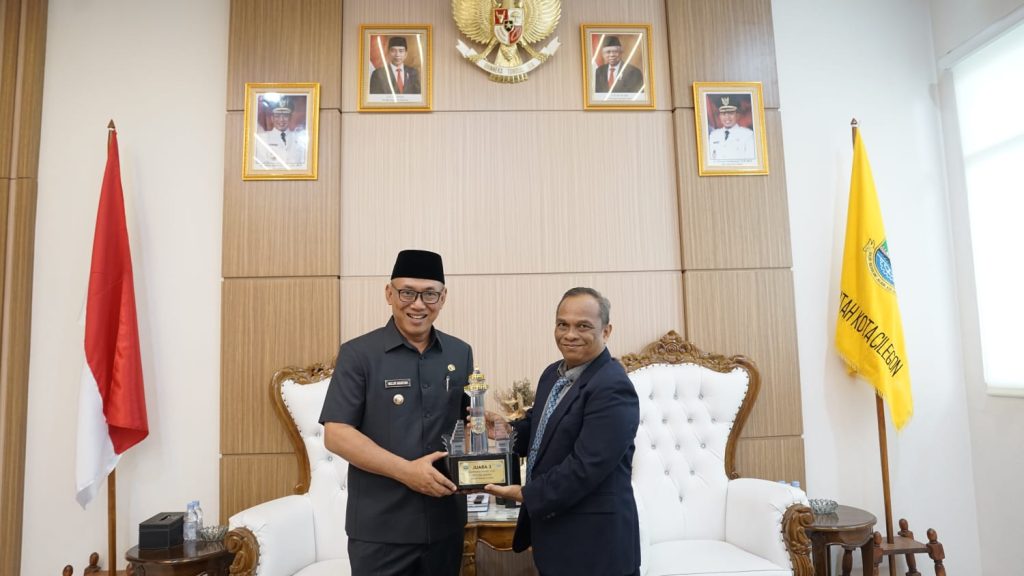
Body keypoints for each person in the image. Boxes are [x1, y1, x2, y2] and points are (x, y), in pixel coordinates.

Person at [320, 249, 473, 576]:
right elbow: (336, 434)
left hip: (445, 523)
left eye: (429, 294)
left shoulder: (460, 353)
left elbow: (465, 421)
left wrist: (487, 424)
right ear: (389, 294)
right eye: (407, 292)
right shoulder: (358, 354)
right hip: (381, 530)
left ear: (443, 297)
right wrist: (407, 472)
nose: (418, 304)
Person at [484, 287, 641, 576]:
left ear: (606, 331)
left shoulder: (612, 387)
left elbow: (586, 467)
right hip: (555, 536)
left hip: (596, 546)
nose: (570, 334)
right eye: (562, 324)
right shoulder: (552, 374)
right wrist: (506, 430)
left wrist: (527, 494)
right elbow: (541, 426)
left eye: (583, 326)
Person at [253, 99, 307, 169]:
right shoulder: (261, 139)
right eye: (277, 116)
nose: (281, 120)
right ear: (272, 118)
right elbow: (258, 167)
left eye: (285, 116)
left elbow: (304, 167)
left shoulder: (299, 139)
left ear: (290, 118)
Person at [707, 96, 756, 162]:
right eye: (723, 114)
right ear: (719, 116)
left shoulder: (748, 135)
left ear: (737, 115)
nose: (727, 117)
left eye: (731, 113)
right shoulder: (713, 135)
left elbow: (751, 161)